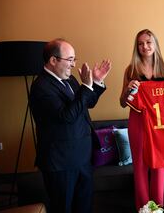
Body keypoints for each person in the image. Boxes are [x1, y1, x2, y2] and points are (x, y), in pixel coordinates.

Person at [30, 38, 111, 213]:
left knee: (84, 207)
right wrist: (86, 87)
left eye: (74, 59)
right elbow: (66, 116)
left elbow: (87, 103)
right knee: (64, 208)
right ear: (53, 60)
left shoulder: (70, 80)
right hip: (61, 163)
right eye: (70, 59)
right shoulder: (41, 86)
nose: (74, 65)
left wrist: (95, 83)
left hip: (82, 157)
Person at [119, 29, 164, 210]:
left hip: (159, 124)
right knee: (140, 168)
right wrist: (128, 90)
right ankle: (143, 208)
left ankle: (158, 207)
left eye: (148, 42)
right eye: (140, 44)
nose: (145, 46)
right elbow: (122, 103)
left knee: (160, 166)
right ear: (137, 47)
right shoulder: (131, 69)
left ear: (155, 44)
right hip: (138, 123)